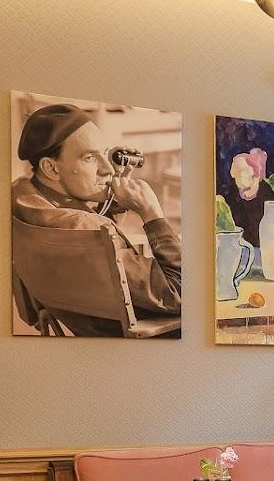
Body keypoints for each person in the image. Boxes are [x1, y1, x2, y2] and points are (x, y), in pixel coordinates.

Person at [11, 103, 181, 336]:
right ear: (51, 168)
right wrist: (152, 215)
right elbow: (180, 293)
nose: (108, 169)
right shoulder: (88, 229)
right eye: (90, 157)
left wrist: (109, 199)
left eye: (105, 152)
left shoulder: (20, 199)